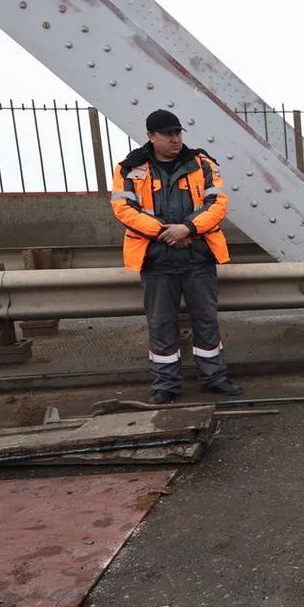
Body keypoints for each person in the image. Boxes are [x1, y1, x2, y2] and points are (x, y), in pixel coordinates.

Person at [110, 109, 243, 404]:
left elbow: (217, 204)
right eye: (168, 134)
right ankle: (166, 386)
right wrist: (164, 232)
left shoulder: (202, 164)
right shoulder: (129, 169)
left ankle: (214, 378)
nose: (175, 139)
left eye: (178, 133)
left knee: (206, 320)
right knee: (160, 324)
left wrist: (188, 229)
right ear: (150, 136)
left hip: (197, 256)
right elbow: (124, 210)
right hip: (156, 259)